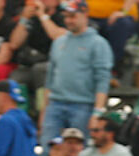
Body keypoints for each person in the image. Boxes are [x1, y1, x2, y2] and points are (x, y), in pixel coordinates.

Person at [41, 0, 112, 146]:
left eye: (73, 16)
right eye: (66, 16)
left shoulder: (98, 44)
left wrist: (97, 112)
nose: (68, 20)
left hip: (83, 105)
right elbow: (50, 78)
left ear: (85, 15)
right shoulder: (58, 42)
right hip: (55, 103)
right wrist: (45, 109)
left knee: (80, 151)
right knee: (47, 149)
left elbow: (102, 80)